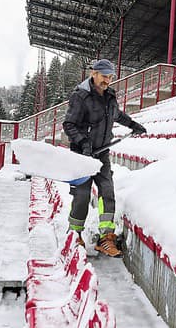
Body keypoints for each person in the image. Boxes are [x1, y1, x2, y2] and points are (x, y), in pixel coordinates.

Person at [63, 59, 147, 257]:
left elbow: (115, 114)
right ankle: (75, 234)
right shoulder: (80, 96)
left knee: (107, 191)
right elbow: (69, 125)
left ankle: (106, 237)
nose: (107, 81)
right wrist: (83, 142)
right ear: (94, 74)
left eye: (110, 77)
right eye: (104, 76)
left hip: (102, 153)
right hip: (81, 155)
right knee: (82, 196)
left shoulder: (110, 96)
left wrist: (133, 124)